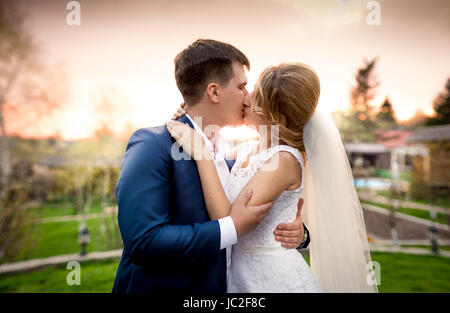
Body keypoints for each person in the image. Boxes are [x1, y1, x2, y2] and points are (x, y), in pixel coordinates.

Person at [112, 39, 309, 293]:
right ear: (214, 92)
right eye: (242, 87)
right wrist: (230, 227)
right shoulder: (153, 145)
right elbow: (144, 241)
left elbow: (266, 198)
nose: (248, 99)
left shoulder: (233, 155)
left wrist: (300, 233)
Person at [167, 62, 378, 292]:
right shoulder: (248, 149)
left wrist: (201, 154)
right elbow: (214, 161)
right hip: (240, 276)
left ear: (278, 117)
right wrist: (192, 117)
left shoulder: (284, 161)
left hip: (272, 280)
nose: (245, 99)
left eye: (256, 99)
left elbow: (227, 220)